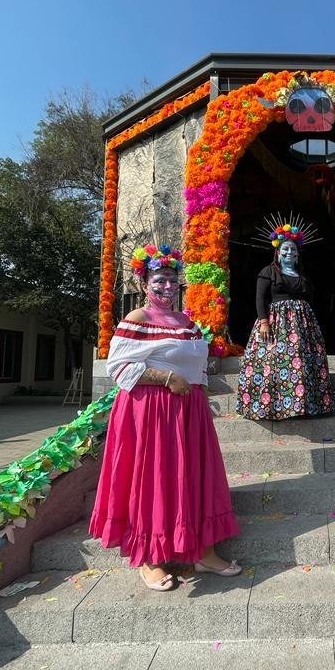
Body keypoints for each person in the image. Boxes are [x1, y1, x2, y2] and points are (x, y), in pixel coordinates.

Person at [89, 244, 240, 591]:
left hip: (189, 412)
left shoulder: (187, 323)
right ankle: (150, 557)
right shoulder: (136, 320)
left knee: (194, 477)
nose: (167, 287)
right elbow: (119, 367)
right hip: (151, 411)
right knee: (154, 478)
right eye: (159, 280)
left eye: (173, 280)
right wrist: (166, 377)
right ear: (146, 284)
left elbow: (196, 364)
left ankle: (204, 550)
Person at [236, 219, 334, 420]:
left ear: (298, 254)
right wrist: (264, 322)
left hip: (302, 325)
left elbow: (311, 298)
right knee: (275, 363)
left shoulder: (301, 275)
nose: (290, 253)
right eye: (286, 250)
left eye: (293, 250)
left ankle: (303, 405)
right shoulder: (268, 272)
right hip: (276, 323)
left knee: (301, 362)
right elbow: (259, 299)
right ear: (278, 252)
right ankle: (273, 406)